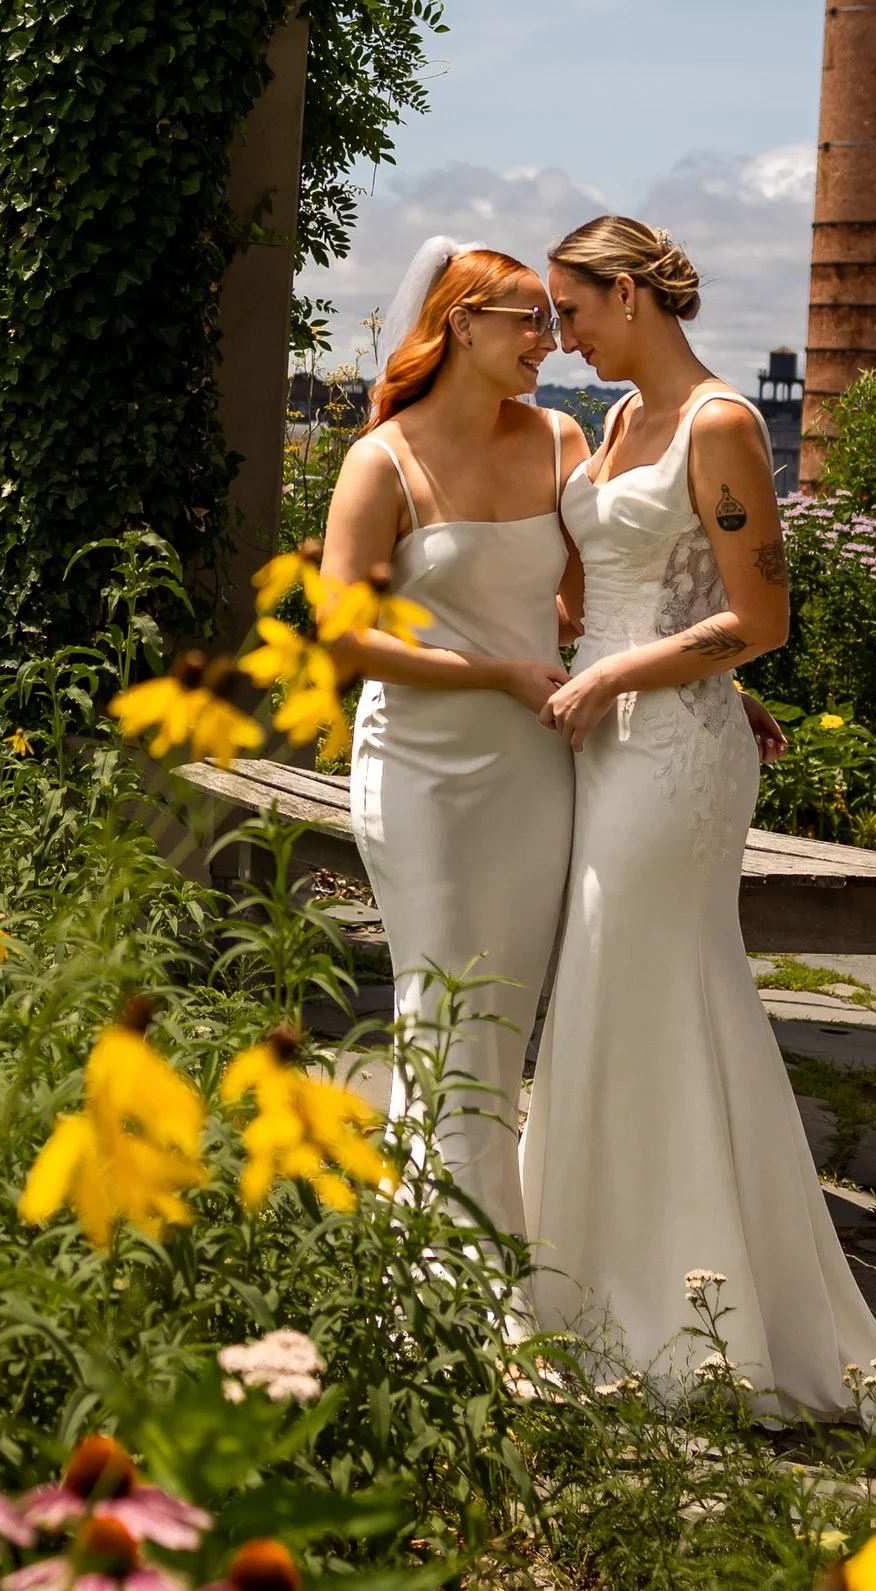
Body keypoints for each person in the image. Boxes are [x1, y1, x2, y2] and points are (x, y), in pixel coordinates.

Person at [524, 214, 876, 1430]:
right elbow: (666, 595)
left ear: (628, 293)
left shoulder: (720, 423)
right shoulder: (623, 416)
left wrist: (623, 680)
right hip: (629, 727)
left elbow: (764, 614)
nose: (560, 332)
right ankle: (600, 1287)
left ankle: (702, 1312)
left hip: (666, 753)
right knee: (604, 990)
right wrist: (677, 675)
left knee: (662, 985)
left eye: (572, 308)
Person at [318, 240, 584, 1241]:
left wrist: (716, 690)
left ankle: (442, 1252)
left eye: (552, 324)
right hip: (420, 767)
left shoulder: (563, 441)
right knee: (440, 1009)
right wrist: (499, 671)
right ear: (462, 322)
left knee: (501, 1015)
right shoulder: (379, 460)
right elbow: (342, 636)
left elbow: (599, 600)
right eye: (529, 321)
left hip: (533, 771)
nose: (547, 342)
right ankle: (454, 1280)